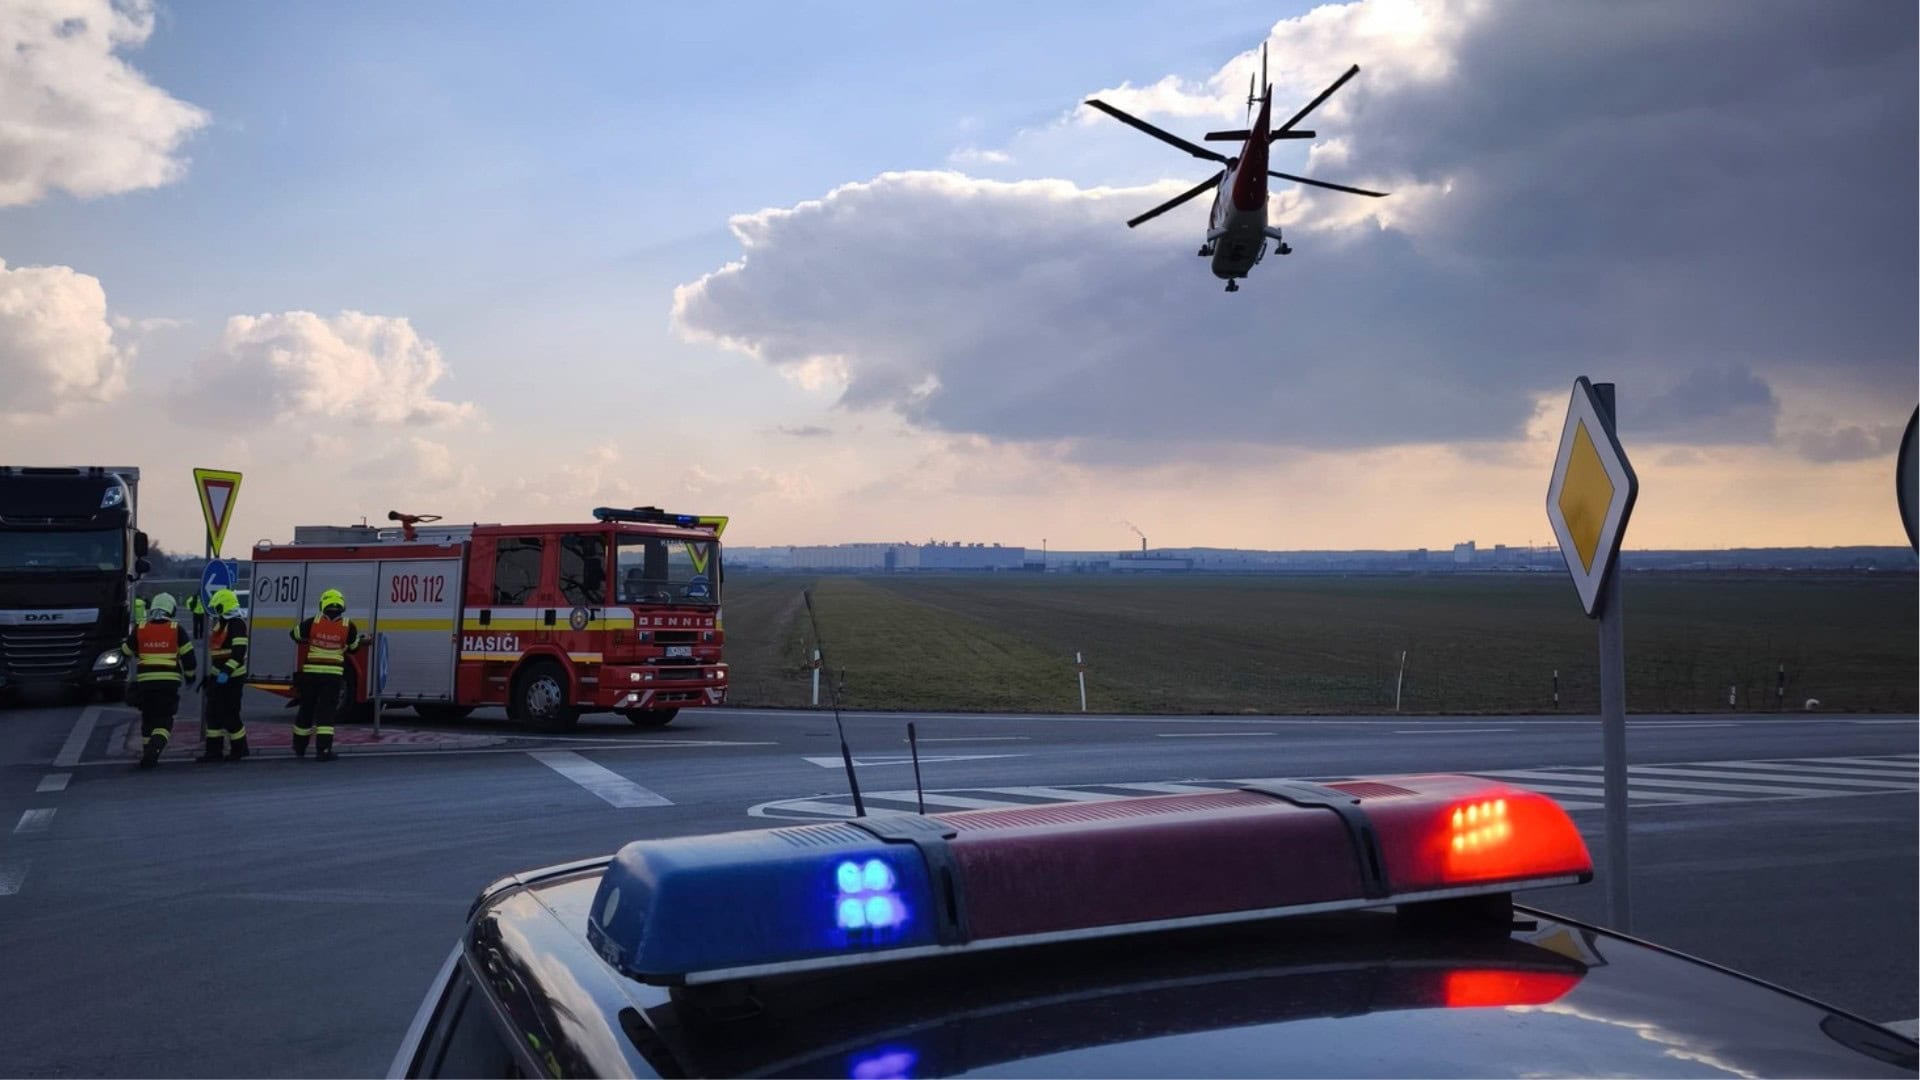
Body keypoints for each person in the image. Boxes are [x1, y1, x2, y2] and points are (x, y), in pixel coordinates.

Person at [122, 593, 194, 769]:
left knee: (148, 719)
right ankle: (154, 748)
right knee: (164, 720)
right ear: (171, 609)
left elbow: (125, 651)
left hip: (145, 684)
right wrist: (191, 677)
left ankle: (148, 751)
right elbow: (189, 659)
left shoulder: (141, 628)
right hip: (168, 684)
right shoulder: (176, 629)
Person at [289, 588, 360, 762]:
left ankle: (299, 747)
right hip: (332, 677)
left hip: (311, 675)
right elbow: (355, 647)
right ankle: (324, 750)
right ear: (342, 605)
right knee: (326, 713)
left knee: (306, 709)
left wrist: (311, 639)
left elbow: (295, 634)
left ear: (323, 604)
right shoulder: (347, 626)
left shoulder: (313, 622)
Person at [201, 588, 250, 762]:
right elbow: (218, 652)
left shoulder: (237, 624)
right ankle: (213, 752)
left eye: (218, 607)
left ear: (225, 605)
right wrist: (212, 676)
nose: (216, 611)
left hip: (233, 677)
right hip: (219, 676)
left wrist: (225, 673)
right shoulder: (221, 623)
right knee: (212, 714)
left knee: (230, 714)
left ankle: (240, 748)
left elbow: (238, 653)